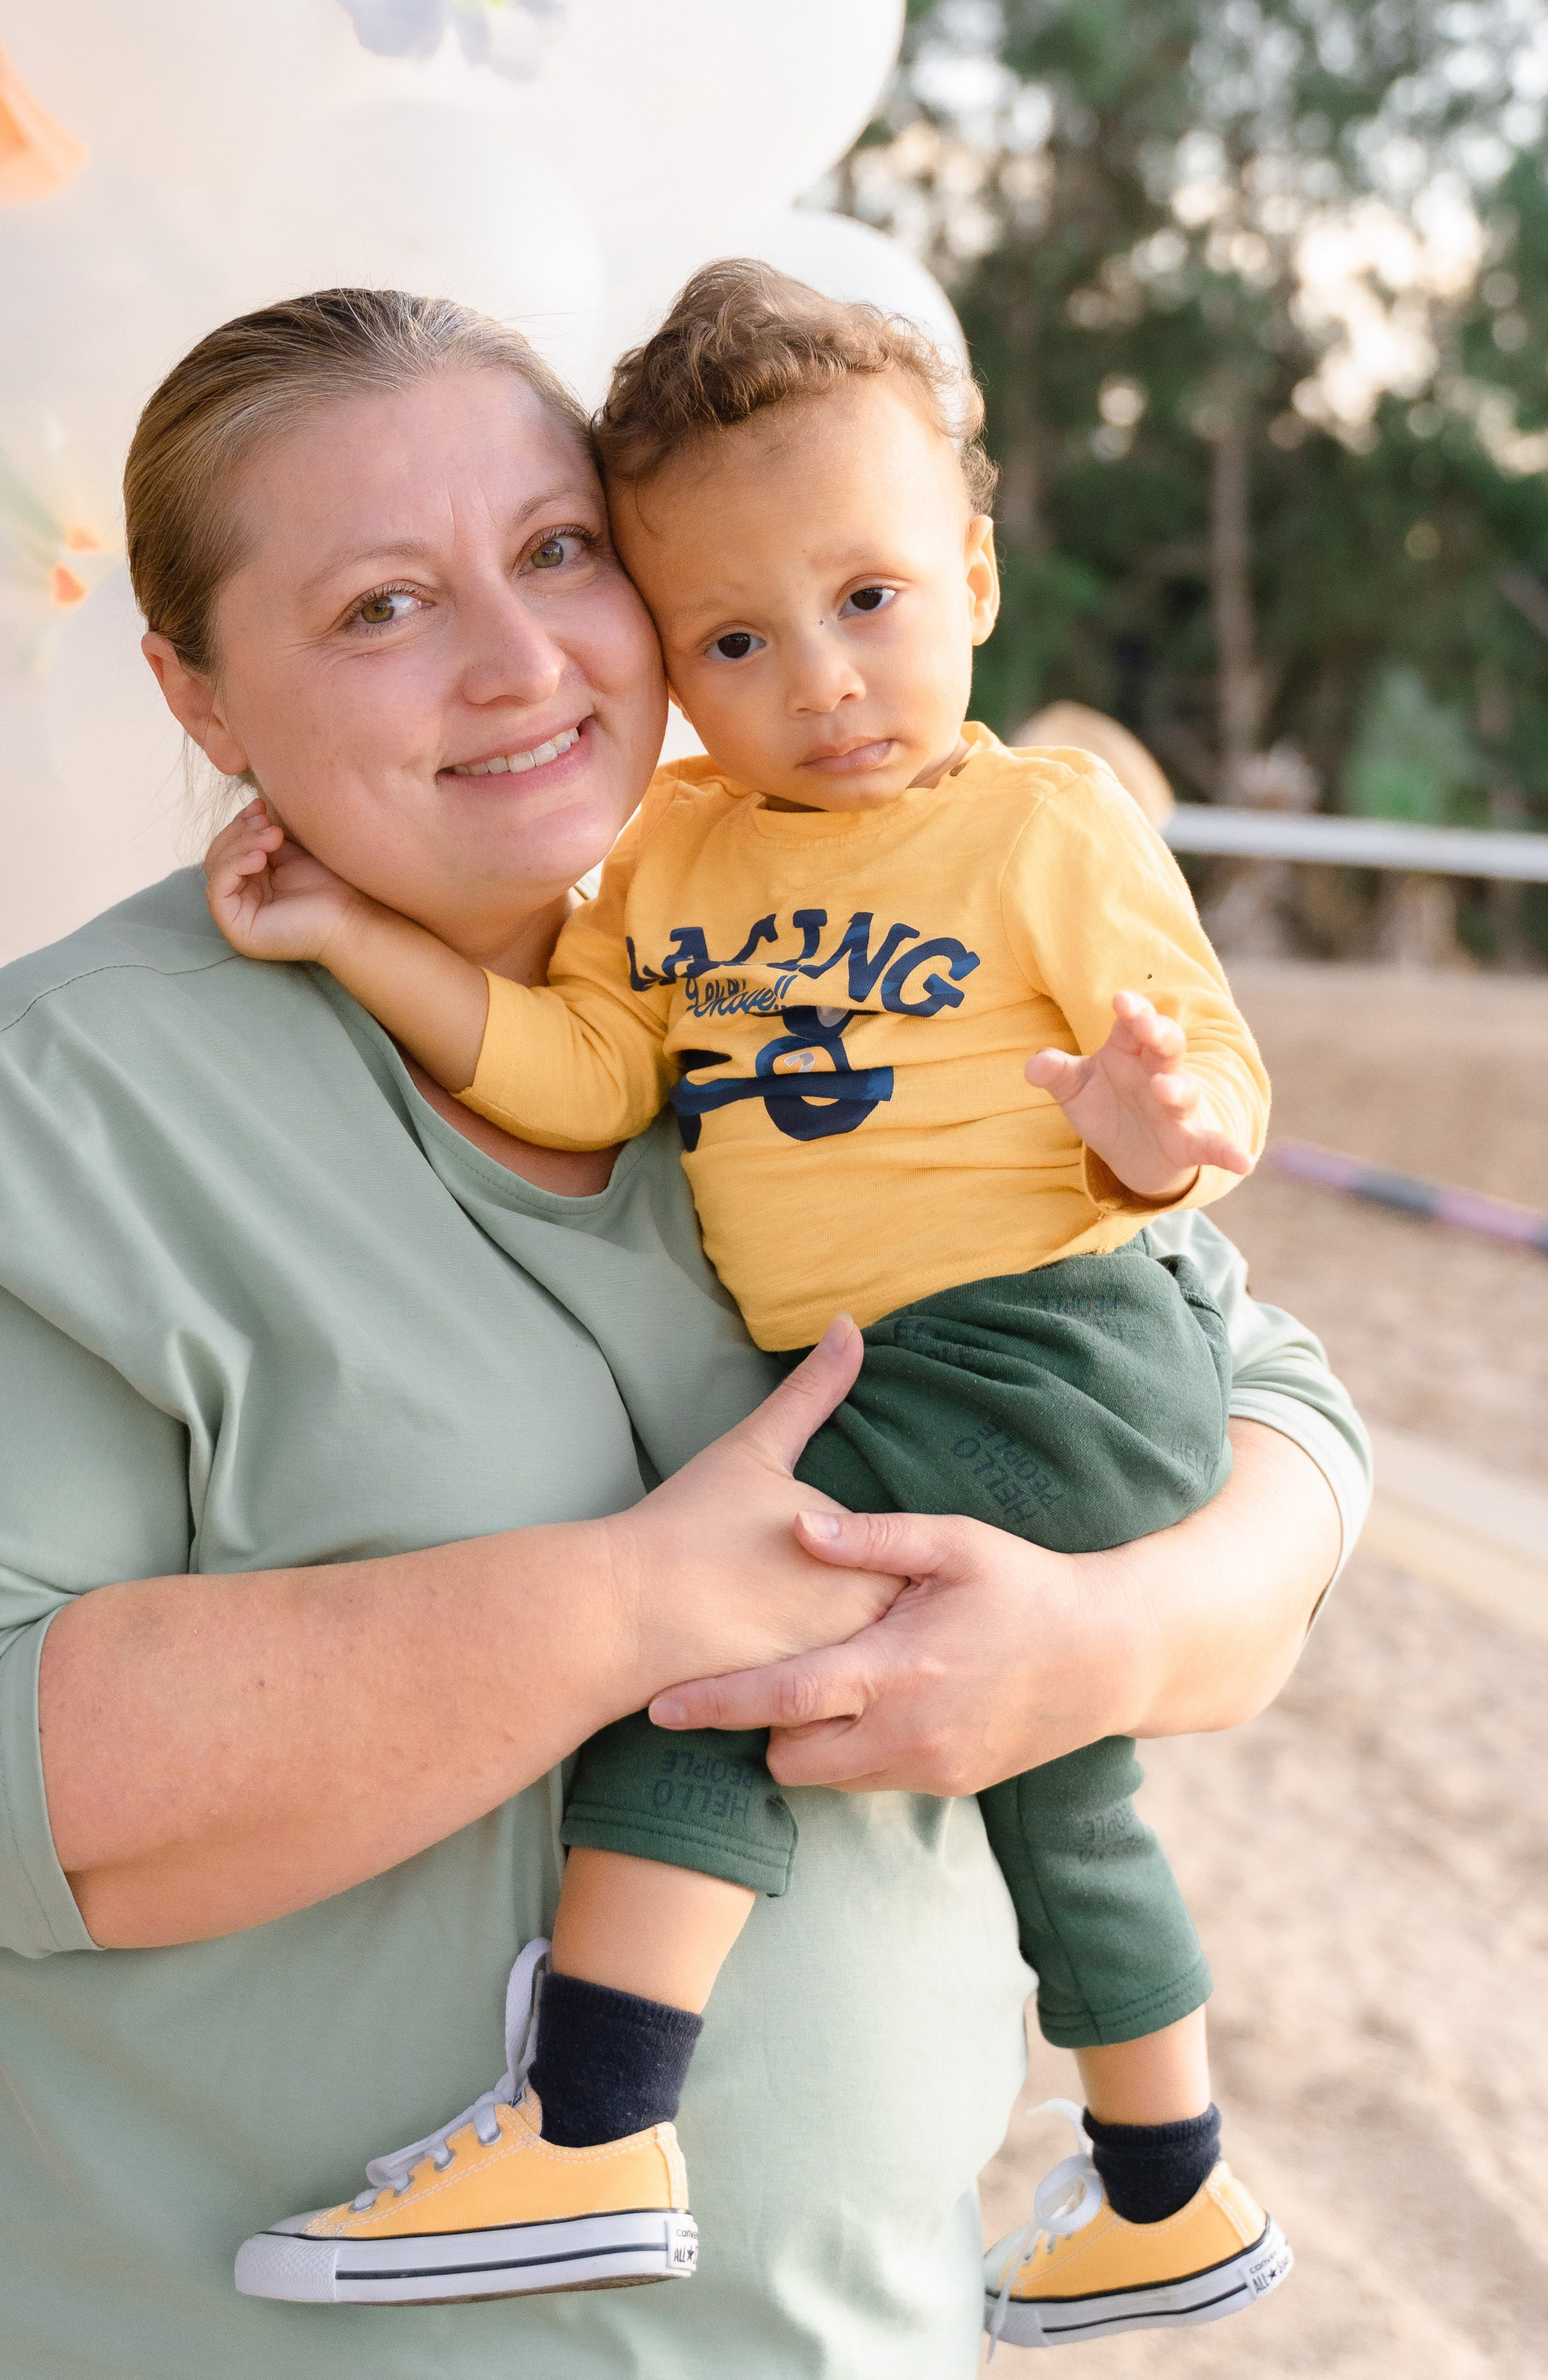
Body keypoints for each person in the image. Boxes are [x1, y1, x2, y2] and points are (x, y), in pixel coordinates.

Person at [0, 286, 1368, 2380]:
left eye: (555, 554)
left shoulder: (824, 958)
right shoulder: (69, 1107)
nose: (518, 663)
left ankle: (1160, 2180)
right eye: (376, 609)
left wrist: (1098, 1646)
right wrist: (636, 1611)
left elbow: (1272, 1411)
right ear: (200, 690)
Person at [205, 265, 1285, 2347]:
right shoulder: (676, 860)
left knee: (704, 1639)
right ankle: (1170, 2176)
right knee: (1065, 1776)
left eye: (872, 596)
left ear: (971, 564)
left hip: (1051, 1335)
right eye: (733, 637)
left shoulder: (1039, 824)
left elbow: (1220, 1085)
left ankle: (597, 2119)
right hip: (915, 1362)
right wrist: (357, 934)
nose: (825, 676)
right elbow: (590, 1072)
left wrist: (1153, 1124)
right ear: (668, 658)